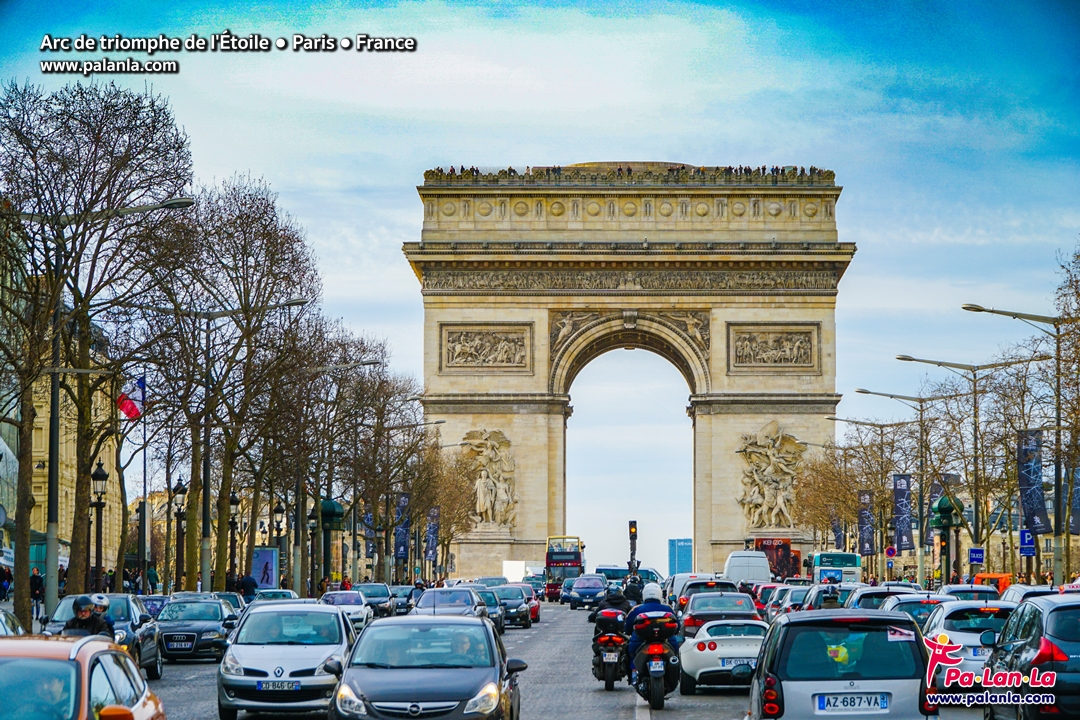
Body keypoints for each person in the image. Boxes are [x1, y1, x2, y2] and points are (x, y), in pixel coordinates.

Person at [623, 583, 679, 682]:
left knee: (631, 654)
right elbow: (677, 625)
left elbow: (628, 627)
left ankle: (634, 675)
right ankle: (675, 675)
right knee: (675, 655)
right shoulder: (668, 608)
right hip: (667, 640)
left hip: (639, 640)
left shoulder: (637, 609)